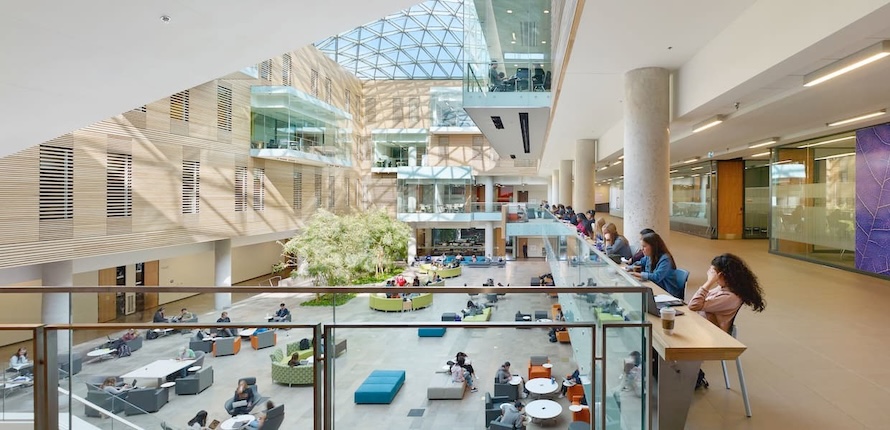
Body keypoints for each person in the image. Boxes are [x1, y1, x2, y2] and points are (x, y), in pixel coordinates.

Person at [687, 254, 766, 389]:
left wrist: (708, 282)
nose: (713, 277)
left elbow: (694, 305)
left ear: (724, 275)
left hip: (712, 335)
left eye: (715, 274)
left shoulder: (730, 297)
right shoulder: (723, 288)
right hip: (702, 327)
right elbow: (699, 303)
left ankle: (688, 377)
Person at [631, 232, 681, 299]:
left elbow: (657, 277)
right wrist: (629, 268)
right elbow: (640, 263)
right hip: (654, 287)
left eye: (644, 246)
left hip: (666, 293)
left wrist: (637, 274)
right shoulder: (649, 256)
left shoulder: (665, 259)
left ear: (653, 246)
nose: (642, 249)